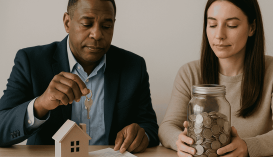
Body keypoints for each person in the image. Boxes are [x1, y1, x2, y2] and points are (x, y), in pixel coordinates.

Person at [0, 0, 159, 153]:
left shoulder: (134, 66)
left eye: (106, 26)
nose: (97, 34)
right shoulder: (31, 62)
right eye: (87, 24)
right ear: (67, 22)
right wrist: (41, 104)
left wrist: (141, 135)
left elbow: (149, 126)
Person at [158, 0, 273, 156]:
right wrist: (180, 141)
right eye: (212, 25)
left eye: (231, 25)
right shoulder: (189, 72)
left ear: (252, 28)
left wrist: (247, 146)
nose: (219, 35)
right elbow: (167, 127)